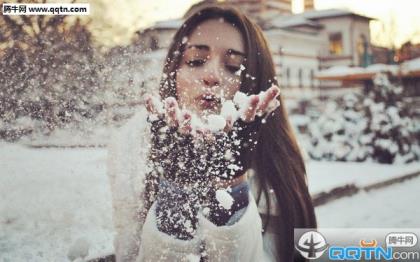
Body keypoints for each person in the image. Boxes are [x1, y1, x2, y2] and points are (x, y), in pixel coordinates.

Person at [107, 4, 317, 262]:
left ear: (255, 82)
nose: (212, 76)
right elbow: (129, 254)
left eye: (232, 65)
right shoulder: (134, 145)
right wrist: (177, 194)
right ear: (173, 71)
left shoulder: (277, 159)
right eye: (195, 60)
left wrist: (231, 187)